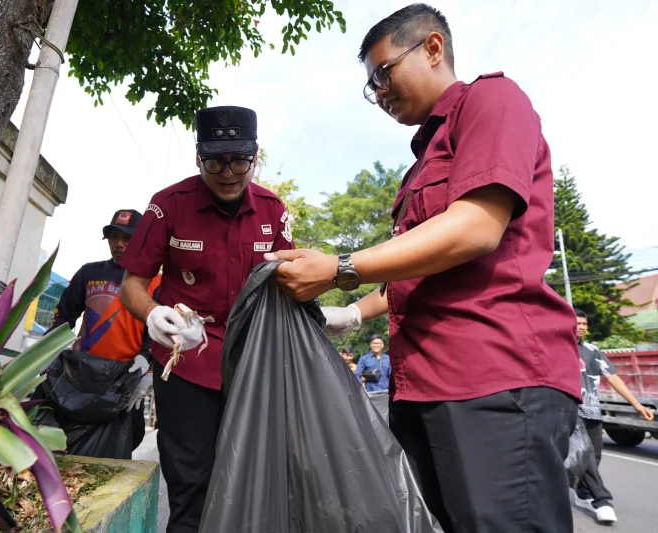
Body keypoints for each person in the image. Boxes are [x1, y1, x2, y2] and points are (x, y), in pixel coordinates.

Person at [265, 5, 581, 532]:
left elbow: (474, 228)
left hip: (493, 378)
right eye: (371, 86)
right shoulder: (420, 165)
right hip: (421, 385)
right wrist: (345, 314)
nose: (380, 93)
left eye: (383, 73)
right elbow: (413, 276)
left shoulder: (493, 100)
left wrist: (339, 267)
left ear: (433, 49)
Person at [118, 105, 294, 533]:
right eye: (215, 160)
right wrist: (154, 313)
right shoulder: (167, 206)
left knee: (251, 480)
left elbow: (289, 280)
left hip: (252, 367)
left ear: (256, 155)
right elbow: (131, 285)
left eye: (240, 160)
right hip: (186, 366)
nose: (228, 172)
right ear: (198, 156)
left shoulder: (274, 211)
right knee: (190, 486)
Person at [44, 210, 161, 455]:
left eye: (127, 238)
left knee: (116, 448)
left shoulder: (154, 281)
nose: (119, 244)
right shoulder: (89, 273)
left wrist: (147, 362)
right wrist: (46, 353)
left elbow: (157, 327)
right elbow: (64, 315)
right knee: (68, 446)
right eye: (114, 237)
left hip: (124, 377)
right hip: (81, 375)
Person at [572, 308, 654, 523]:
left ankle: (582, 493)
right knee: (584, 455)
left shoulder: (593, 350)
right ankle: (602, 501)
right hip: (570, 410)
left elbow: (613, 377)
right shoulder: (557, 349)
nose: (581, 326)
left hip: (592, 410)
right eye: (577, 322)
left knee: (595, 456)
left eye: (584, 323)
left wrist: (636, 404)